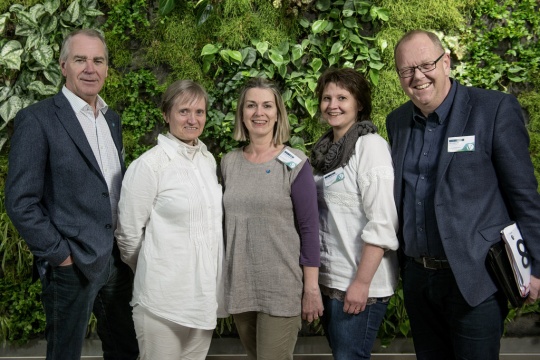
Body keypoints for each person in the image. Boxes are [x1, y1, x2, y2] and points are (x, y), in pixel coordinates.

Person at [386, 29, 540, 360]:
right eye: (406, 70)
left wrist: (536, 267)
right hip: (418, 280)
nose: (418, 76)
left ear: (446, 63)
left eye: (426, 64)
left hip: (476, 278)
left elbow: (525, 197)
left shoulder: (493, 109)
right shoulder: (396, 121)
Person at [4, 29, 138, 360]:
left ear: (107, 68)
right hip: (71, 266)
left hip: (115, 262)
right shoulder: (37, 120)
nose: (90, 68)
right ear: (63, 65)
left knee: (124, 349)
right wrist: (60, 255)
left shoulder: (112, 119)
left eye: (98, 60)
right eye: (80, 60)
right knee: (64, 354)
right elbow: (21, 201)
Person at [115, 80, 226, 360]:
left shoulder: (207, 160)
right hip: (161, 301)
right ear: (166, 115)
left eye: (199, 112)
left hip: (202, 300)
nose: (192, 119)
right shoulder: (149, 166)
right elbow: (127, 236)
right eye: (184, 111)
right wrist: (157, 268)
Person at [221, 77, 323, 360]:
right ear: (242, 112)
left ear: (278, 114)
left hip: (280, 287)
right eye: (251, 105)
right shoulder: (228, 162)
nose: (259, 113)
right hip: (240, 287)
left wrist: (311, 288)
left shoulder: (294, 162)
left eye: (267, 106)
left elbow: (310, 229)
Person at [310, 68, 399, 360]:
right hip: (330, 279)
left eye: (342, 97)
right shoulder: (325, 150)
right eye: (326, 98)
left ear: (359, 103)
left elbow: (382, 222)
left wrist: (362, 284)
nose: (332, 105)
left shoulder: (369, 147)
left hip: (359, 281)